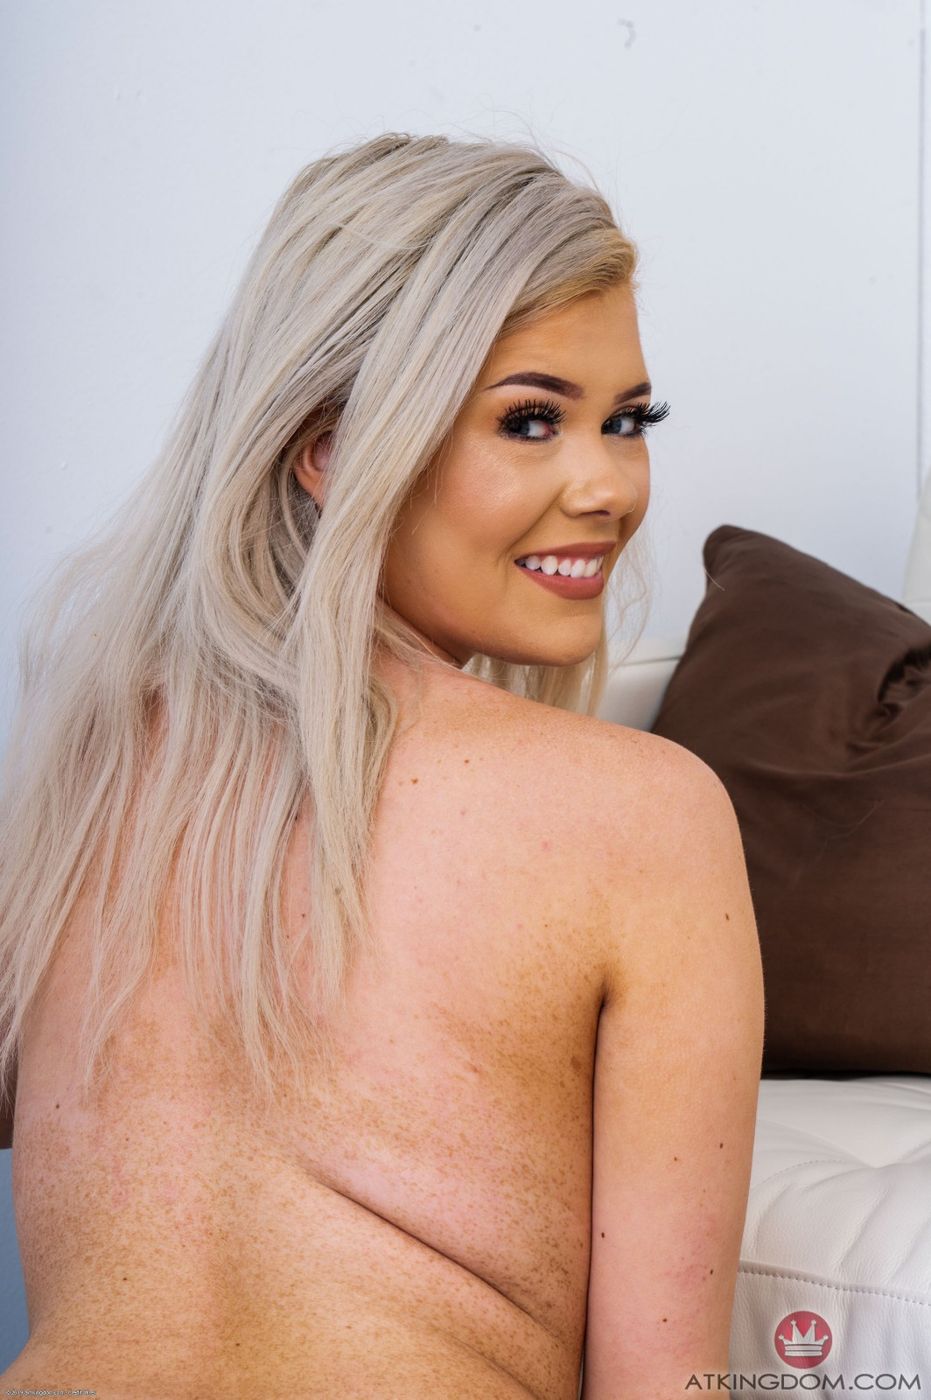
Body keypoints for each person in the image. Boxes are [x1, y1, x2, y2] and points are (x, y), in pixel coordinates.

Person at [0, 131, 765, 1398]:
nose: (608, 486)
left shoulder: (81, 776)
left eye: (627, 420)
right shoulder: (641, 816)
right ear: (327, 448)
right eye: (529, 419)